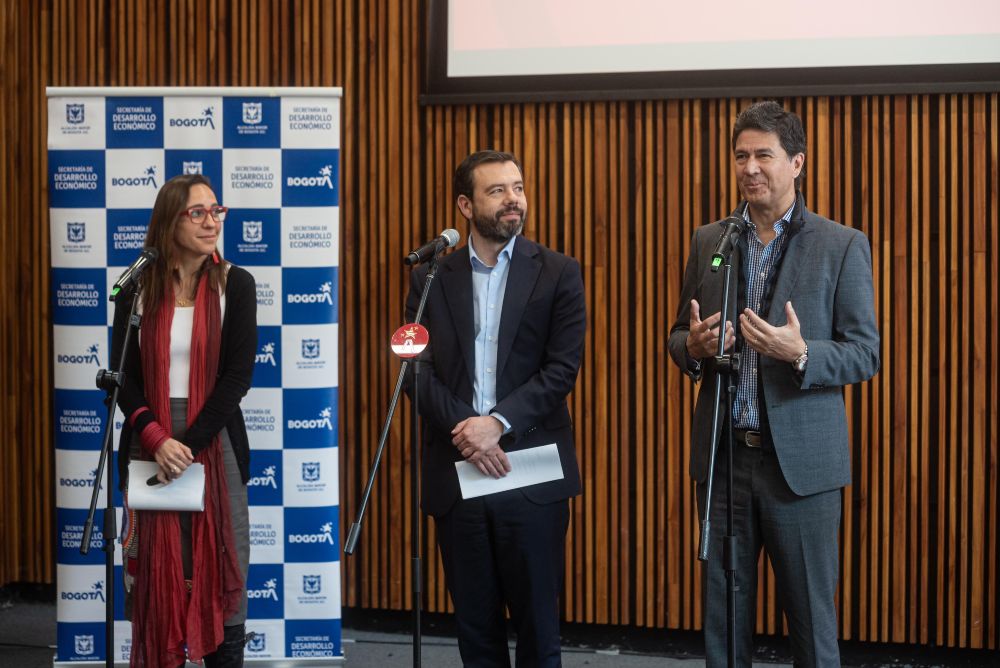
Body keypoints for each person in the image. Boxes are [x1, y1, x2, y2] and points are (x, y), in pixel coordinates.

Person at [668, 101, 880, 666]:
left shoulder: (841, 245)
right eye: (741, 155)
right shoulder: (711, 240)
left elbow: (865, 353)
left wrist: (803, 352)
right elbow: (675, 335)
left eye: (764, 154)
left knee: (811, 624)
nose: (749, 167)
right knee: (724, 623)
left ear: (797, 163)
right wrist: (693, 347)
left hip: (801, 471)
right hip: (724, 462)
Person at [406, 150, 587, 667]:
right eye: (497, 191)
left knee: (538, 634)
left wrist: (497, 425)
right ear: (465, 205)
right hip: (457, 476)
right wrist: (467, 430)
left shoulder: (557, 273)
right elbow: (415, 370)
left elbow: (561, 370)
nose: (514, 200)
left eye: (518, 187)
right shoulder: (431, 279)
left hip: (529, 476)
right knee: (476, 634)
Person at [111, 174, 257, 668]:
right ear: (169, 222)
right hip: (149, 441)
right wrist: (156, 438)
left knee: (220, 561)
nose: (211, 220)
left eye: (217, 210)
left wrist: (186, 446)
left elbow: (237, 377)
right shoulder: (136, 286)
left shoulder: (236, 283)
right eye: (198, 212)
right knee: (154, 571)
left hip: (212, 442)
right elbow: (121, 377)